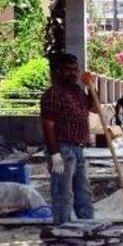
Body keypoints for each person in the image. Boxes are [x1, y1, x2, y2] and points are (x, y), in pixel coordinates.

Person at [40, 52, 96, 226]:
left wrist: (91, 86)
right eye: (68, 69)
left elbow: (94, 107)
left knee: (83, 192)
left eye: (75, 69)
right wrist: (55, 154)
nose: (73, 73)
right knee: (63, 194)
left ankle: (88, 227)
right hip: (63, 149)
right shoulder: (53, 93)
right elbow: (48, 124)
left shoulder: (78, 91)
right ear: (58, 71)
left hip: (78, 148)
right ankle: (62, 230)